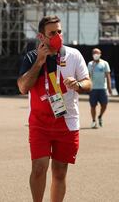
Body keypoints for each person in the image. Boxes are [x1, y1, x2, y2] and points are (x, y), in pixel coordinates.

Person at [17, 15, 92, 202]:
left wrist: (79, 85)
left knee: (59, 172)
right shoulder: (32, 57)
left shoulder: (74, 55)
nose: (57, 35)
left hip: (67, 122)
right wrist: (39, 62)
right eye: (52, 33)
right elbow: (22, 87)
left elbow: (88, 82)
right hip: (39, 122)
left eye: (59, 31)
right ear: (41, 37)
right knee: (39, 167)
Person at [87, 48, 112, 128]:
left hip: (102, 88)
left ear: (100, 54)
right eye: (94, 53)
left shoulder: (105, 63)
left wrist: (109, 87)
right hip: (93, 89)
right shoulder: (90, 64)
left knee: (104, 104)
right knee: (93, 106)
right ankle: (94, 121)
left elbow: (108, 76)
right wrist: (88, 86)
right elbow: (88, 76)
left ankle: (100, 116)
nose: (96, 54)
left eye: (97, 53)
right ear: (92, 54)